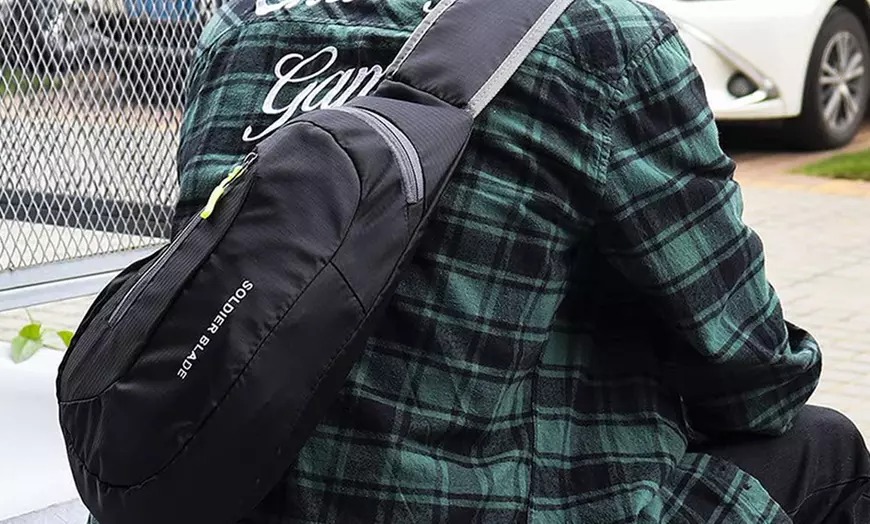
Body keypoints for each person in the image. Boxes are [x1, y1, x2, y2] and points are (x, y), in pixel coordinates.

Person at [94, 0, 870, 522]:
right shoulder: (601, 39)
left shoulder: (240, 28)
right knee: (826, 446)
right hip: (475, 504)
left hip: (219, 486)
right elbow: (755, 379)